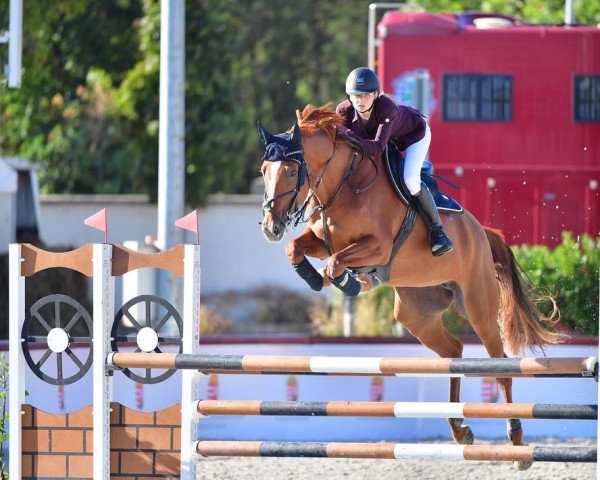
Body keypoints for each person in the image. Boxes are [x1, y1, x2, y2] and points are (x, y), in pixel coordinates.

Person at [334, 67, 453, 257]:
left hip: (415, 137)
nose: (360, 101)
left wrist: (345, 133)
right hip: (391, 140)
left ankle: (438, 232)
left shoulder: (385, 107)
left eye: (365, 96)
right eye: (356, 96)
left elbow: (376, 149)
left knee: (410, 180)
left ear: (375, 94)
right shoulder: (343, 111)